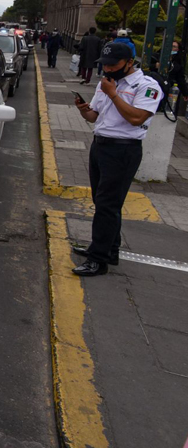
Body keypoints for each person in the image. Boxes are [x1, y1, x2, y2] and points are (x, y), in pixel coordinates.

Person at [71, 42, 163, 276]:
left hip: (123, 150)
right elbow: (94, 116)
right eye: (105, 65)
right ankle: (109, 249)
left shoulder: (146, 86)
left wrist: (113, 94)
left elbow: (137, 118)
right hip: (100, 146)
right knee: (103, 202)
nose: (109, 69)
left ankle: (98, 260)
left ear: (130, 62)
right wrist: (83, 109)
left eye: (114, 65)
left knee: (108, 205)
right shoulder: (106, 84)